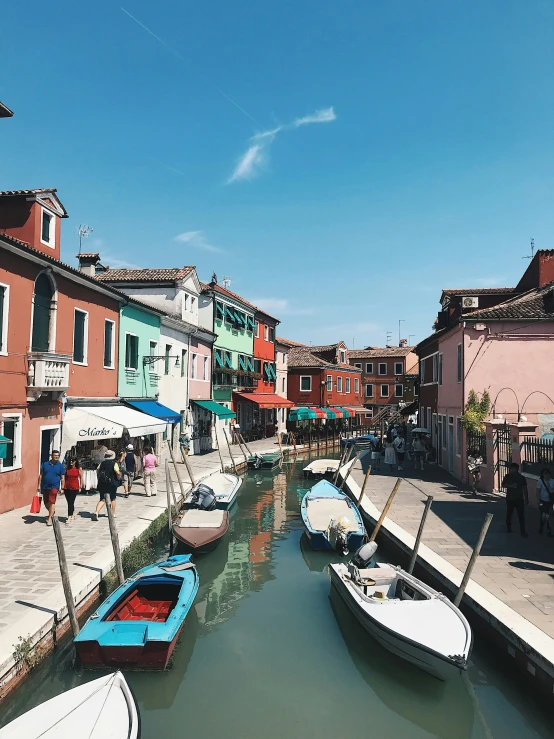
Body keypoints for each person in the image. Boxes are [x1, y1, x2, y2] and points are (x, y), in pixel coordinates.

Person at [37, 450, 65, 526]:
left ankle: (49, 519)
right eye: (55, 455)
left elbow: (62, 477)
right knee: (46, 502)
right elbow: (41, 475)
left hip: (54, 486)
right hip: (45, 486)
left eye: (58, 456)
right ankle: (52, 511)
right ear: (51, 456)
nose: (56, 457)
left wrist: (62, 488)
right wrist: (38, 485)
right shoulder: (45, 464)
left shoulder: (60, 466)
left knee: (52, 501)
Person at [502, 462, 529, 537]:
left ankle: (523, 531)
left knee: (521, 516)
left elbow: (525, 488)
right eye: (511, 469)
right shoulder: (507, 477)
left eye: (513, 469)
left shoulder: (521, 478)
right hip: (510, 499)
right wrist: (510, 486)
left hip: (519, 499)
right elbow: (503, 485)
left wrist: (526, 498)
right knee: (509, 514)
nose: (511, 470)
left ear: (517, 469)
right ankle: (508, 527)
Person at [93, 450, 121, 521]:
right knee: (113, 498)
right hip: (112, 483)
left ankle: (96, 512)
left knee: (102, 498)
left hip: (102, 483)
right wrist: (119, 478)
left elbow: (97, 471)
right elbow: (117, 473)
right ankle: (112, 513)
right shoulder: (114, 464)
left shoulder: (101, 463)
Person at [63, 457, 83, 524]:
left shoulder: (78, 469)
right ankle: (72, 513)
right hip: (67, 487)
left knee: (70, 502)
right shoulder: (67, 468)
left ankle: (69, 516)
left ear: (76, 461)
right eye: (70, 460)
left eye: (73, 461)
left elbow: (81, 478)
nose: (71, 462)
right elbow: (64, 477)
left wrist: (80, 486)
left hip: (74, 487)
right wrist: (62, 487)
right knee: (69, 501)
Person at [536, 468, 554, 536]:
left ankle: (549, 530)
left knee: (548, 515)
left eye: (548, 473)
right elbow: (537, 492)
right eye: (545, 473)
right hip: (542, 501)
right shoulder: (540, 481)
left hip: (550, 501)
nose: (547, 475)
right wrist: (538, 501)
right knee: (544, 515)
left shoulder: (552, 481)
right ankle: (541, 526)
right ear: (542, 474)